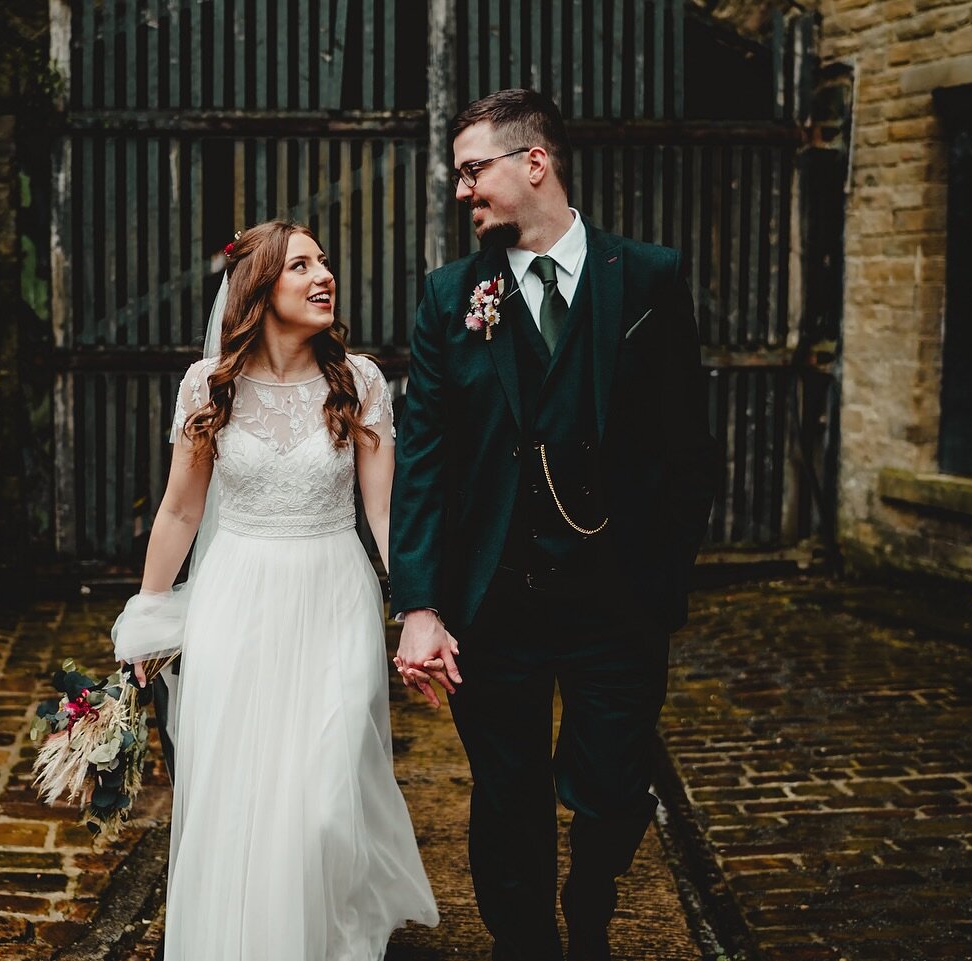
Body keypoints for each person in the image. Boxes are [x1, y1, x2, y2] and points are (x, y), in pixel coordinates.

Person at [389, 88, 719, 961]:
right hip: (495, 601)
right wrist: (419, 601)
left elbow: (691, 447)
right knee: (508, 796)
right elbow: (423, 457)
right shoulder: (450, 296)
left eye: (472, 171)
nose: (461, 191)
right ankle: (526, 942)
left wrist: (665, 581)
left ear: (535, 162)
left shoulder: (648, 277)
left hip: (620, 602)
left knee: (613, 788)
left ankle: (594, 891)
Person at [113, 220, 438, 960]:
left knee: (327, 798)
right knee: (243, 791)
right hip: (237, 599)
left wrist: (417, 606)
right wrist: (149, 618)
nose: (323, 274)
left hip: (333, 596)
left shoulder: (359, 381)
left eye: (324, 260)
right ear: (260, 289)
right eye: (301, 264)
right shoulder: (209, 387)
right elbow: (181, 509)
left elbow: (384, 512)